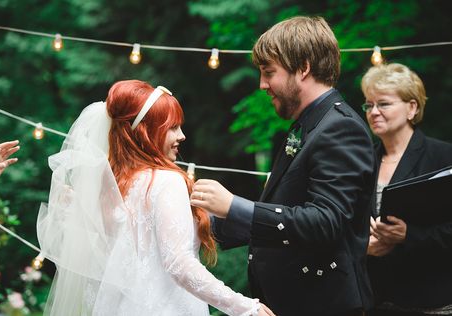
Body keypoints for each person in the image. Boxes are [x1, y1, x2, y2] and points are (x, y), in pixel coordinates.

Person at [36, 80, 274, 316]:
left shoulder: (114, 185)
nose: (181, 135)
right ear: (145, 131)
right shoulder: (166, 181)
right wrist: (245, 308)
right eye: (172, 127)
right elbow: (179, 264)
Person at [191, 16, 376, 316]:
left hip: (322, 306)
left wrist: (234, 206)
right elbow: (286, 210)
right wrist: (204, 227)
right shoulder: (307, 126)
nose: (262, 84)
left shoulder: (341, 129)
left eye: (268, 73)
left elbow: (325, 222)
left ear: (303, 68)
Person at [361, 63, 452, 316]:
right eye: (369, 105)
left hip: (431, 301)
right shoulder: (362, 162)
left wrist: (409, 235)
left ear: (412, 107)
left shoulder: (444, 157)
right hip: (376, 299)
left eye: (384, 104)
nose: (374, 112)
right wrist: (363, 245)